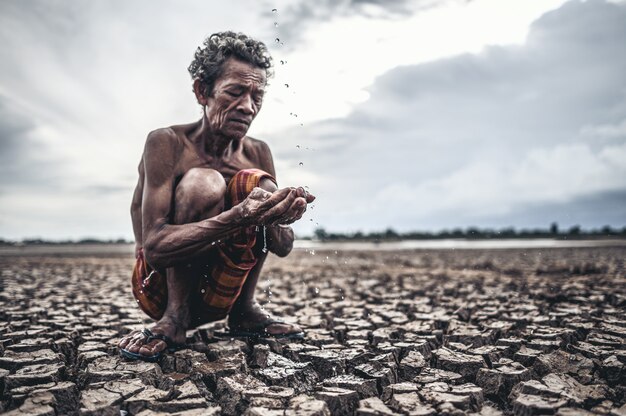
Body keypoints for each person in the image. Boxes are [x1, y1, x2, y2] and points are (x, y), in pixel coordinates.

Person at [118, 31, 315, 361]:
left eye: (257, 96)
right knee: (203, 183)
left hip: (223, 287)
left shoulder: (258, 152)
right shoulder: (167, 143)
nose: (247, 107)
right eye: (235, 92)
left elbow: (281, 247)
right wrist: (241, 216)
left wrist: (279, 215)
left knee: (259, 186)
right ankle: (175, 319)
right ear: (202, 92)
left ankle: (245, 311)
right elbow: (155, 249)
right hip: (158, 288)